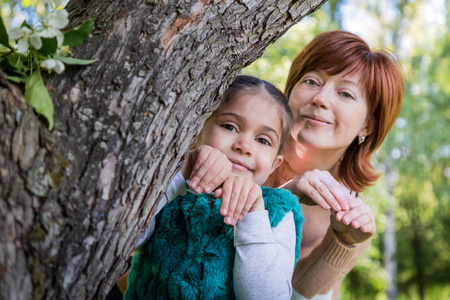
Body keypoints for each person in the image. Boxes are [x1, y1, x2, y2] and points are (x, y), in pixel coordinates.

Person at [124, 75, 304, 299]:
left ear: (274, 165)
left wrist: (253, 214)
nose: (244, 146)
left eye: (263, 140)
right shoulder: (172, 184)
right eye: (230, 126)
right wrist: (182, 171)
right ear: (197, 132)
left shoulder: (277, 210)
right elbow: (125, 239)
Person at [263, 30, 405, 299]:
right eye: (312, 81)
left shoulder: (351, 213)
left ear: (368, 124)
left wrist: (342, 242)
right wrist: (287, 192)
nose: (321, 98)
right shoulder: (242, 137)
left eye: (346, 94)